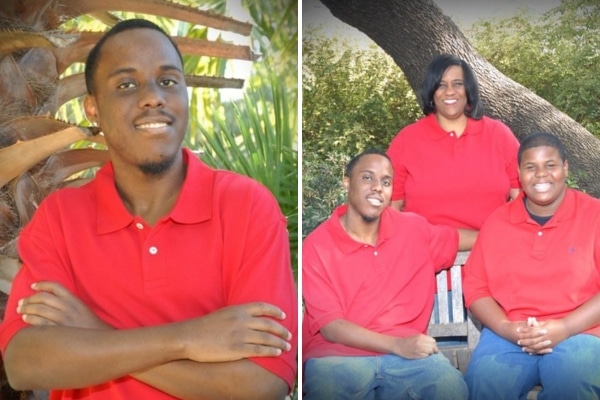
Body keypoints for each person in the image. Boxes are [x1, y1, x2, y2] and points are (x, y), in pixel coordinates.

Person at [0, 19, 297, 400]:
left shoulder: (246, 206)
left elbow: (261, 384)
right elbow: (27, 363)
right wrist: (187, 339)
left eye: (169, 81)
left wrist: (96, 333)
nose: (153, 97)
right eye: (126, 85)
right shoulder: (60, 217)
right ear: (93, 109)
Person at [302, 148, 469, 400]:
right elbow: (331, 328)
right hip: (337, 356)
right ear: (347, 182)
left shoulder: (412, 229)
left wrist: (509, 233)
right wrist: (397, 345)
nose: (378, 187)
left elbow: (458, 239)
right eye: (367, 177)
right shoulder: (317, 246)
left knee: (451, 389)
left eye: (386, 181)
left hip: (408, 359)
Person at [463, 131, 600, 399]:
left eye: (550, 165)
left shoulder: (594, 215)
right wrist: (505, 328)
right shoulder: (498, 222)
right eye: (530, 167)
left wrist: (566, 327)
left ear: (565, 167)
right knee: (483, 385)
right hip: (511, 334)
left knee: (574, 385)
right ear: (518, 172)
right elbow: (476, 288)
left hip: (580, 332)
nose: (541, 175)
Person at [387, 53, 520, 238]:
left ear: (469, 89)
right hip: (426, 259)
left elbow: (522, 198)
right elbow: (392, 211)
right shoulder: (406, 140)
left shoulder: (498, 135)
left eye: (458, 83)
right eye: (441, 85)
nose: (450, 91)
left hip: (491, 255)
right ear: (431, 92)